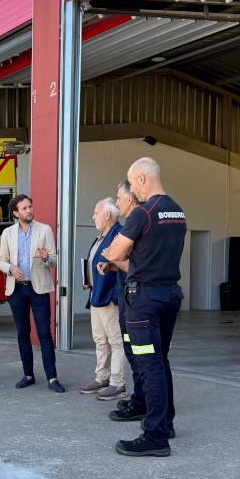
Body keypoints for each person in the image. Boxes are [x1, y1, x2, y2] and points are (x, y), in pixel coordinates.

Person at [103, 158, 185, 457]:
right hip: (169, 295)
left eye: (131, 182)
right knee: (160, 362)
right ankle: (166, 423)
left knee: (149, 365)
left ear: (140, 179)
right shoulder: (178, 210)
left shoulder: (143, 213)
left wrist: (122, 254)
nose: (132, 189)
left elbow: (113, 251)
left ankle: (155, 435)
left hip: (144, 301)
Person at [0, 194, 64, 393]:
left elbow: (53, 261)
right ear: (16, 213)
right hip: (16, 289)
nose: (29, 211)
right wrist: (10, 268)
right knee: (22, 333)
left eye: (30, 207)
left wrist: (45, 258)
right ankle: (28, 375)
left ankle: (52, 378)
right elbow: (1, 260)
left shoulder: (45, 230)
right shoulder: (8, 233)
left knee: (44, 333)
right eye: (24, 208)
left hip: (39, 289)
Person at [103, 181, 149, 422]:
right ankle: (140, 399)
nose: (117, 202)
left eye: (119, 198)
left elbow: (133, 265)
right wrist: (112, 261)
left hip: (139, 299)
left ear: (130, 199)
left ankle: (147, 405)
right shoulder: (137, 222)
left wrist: (113, 256)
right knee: (135, 353)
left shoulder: (137, 221)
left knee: (143, 357)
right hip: (129, 296)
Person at [80, 198, 125, 401]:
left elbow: (121, 266)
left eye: (96, 212)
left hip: (109, 296)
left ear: (107, 214)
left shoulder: (119, 234)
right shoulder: (102, 236)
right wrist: (88, 279)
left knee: (115, 341)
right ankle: (102, 377)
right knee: (100, 340)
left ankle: (117, 383)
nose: (93, 216)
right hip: (96, 294)